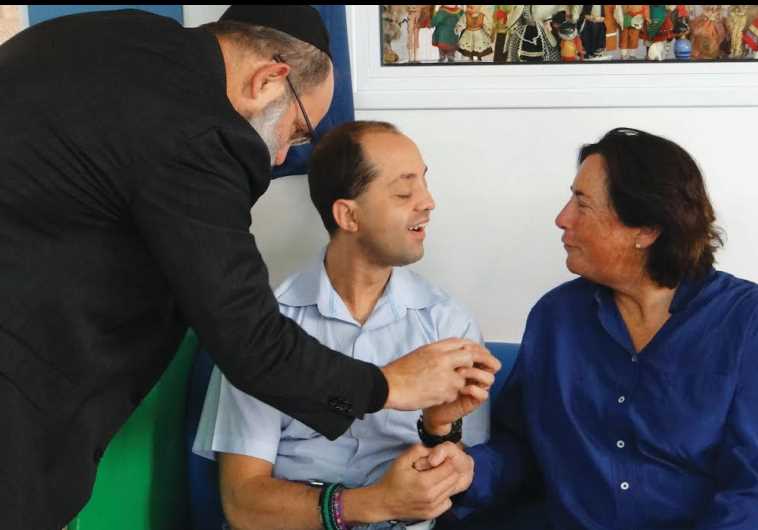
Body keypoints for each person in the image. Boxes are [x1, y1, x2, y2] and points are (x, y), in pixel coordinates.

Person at [0, 7, 491, 529]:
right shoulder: (196, 134)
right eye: (296, 131)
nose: (278, 159)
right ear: (268, 80)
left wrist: (440, 430)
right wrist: (386, 388)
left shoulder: (104, 37)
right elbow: (250, 347)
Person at [426, 128, 758, 529]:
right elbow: (524, 451)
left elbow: (750, 489)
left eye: (582, 204)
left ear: (646, 229)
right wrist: (469, 471)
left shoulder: (745, 321)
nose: (562, 219)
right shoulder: (556, 317)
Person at [193, 121, 498, 530]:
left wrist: (439, 428)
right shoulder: (263, 330)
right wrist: (372, 503)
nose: (428, 203)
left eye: (424, 183)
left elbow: (460, 488)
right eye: (404, 192)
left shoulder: (449, 326)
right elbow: (243, 503)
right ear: (348, 215)